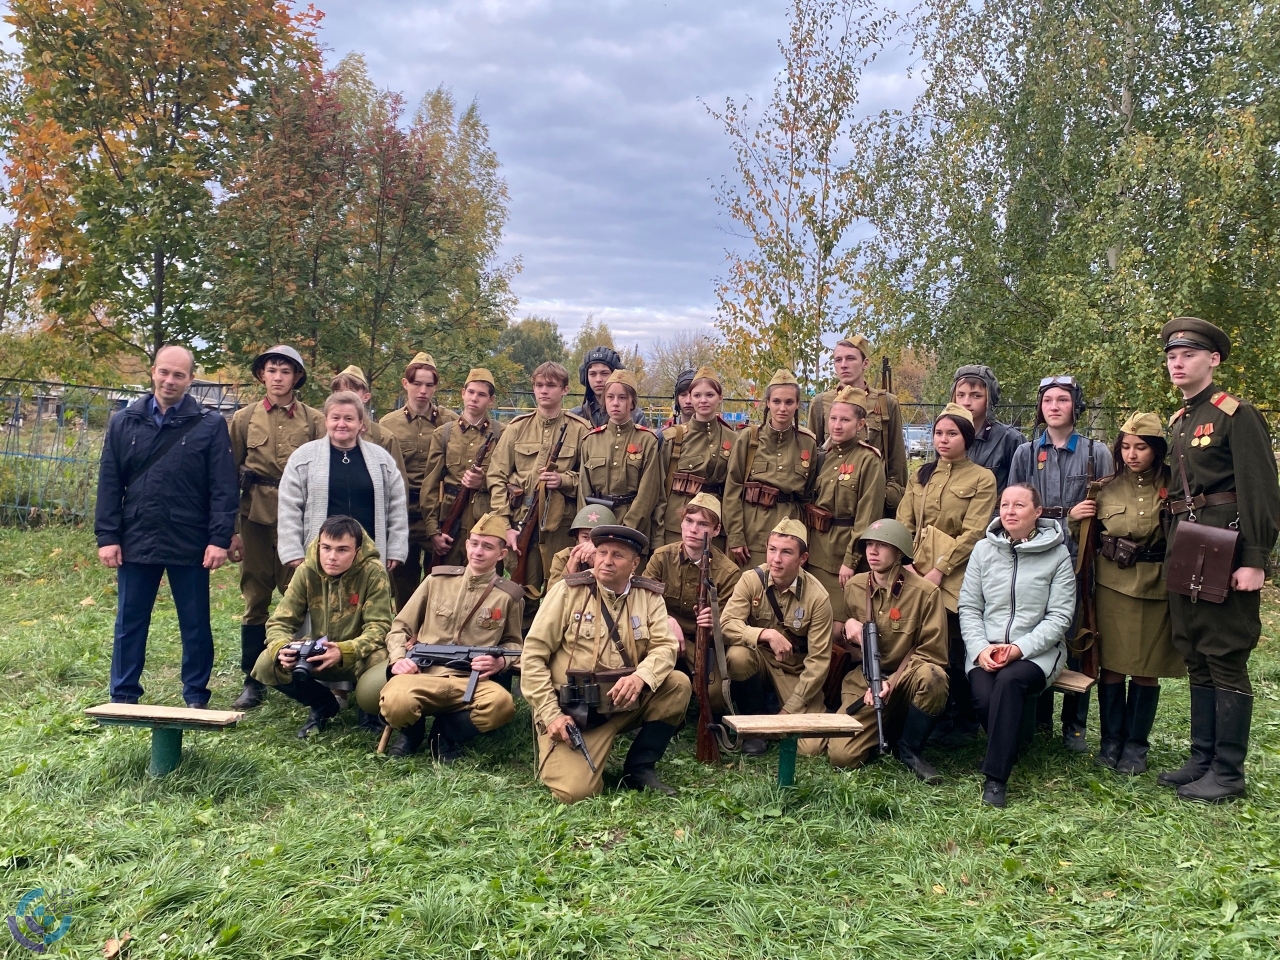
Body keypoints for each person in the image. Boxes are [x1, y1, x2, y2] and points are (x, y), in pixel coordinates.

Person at [1156, 318, 1279, 803]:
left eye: (1187, 355)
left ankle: (1228, 770)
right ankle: (1202, 757)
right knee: (1195, 649)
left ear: (1214, 360)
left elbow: (1261, 489)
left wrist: (1256, 558)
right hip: (1187, 544)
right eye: (1171, 357)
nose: (1178, 363)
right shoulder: (1181, 419)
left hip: (1226, 546)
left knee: (1225, 652)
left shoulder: (1236, 413)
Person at [95, 345, 238, 708]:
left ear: (191, 379)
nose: (169, 380)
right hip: (136, 534)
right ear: (152, 372)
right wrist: (108, 536)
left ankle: (196, 696)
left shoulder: (209, 424)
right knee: (129, 621)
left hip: (190, 538)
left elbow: (223, 487)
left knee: (195, 624)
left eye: (178, 375)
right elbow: (110, 483)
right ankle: (123, 695)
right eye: (164, 372)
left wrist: (219, 539)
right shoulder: (123, 421)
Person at [522, 524, 691, 802]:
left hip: (623, 702)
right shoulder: (568, 591)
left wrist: (641, 677)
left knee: (676, 684)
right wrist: (550, 713)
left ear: (635, 564)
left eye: (617, 555)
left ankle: (639, 768)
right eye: (602, 552)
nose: (607, 561)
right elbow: (533, 655)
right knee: (575, 793)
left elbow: (664, 647)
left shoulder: (649, 597)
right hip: (573, 711)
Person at [1069, 412, 1183, 774]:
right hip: (1113, 586)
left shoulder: (1175, 485)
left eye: (1142, 447)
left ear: (1157, 449)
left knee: (1148, 669)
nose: (1133, 454)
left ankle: (1136, 747)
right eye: (1127, 447)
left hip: (1158, 585)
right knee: (1113, 667)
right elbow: (1083, 537)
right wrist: (1075, 517)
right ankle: (1110, 742)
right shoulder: (1104, 488)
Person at [1008, 376, 1113, 753]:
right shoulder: (1024, 453)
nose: (1054, 406)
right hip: (1036, 555)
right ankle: (1037, 722)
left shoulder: (1093, 452)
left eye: (1063, 400)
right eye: (1048, 400)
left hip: (1077, 558)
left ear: (1075, 406)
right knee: (1034, 633)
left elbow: (1109, 505)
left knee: (1075, 637)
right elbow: (1013, 504)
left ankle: (1075, 726)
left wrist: (1091, 512)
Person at [960, 483, 1076, 807]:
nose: (1009, 511)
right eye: (1005, 504)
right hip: (987, 646)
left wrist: (1019, 649)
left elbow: (1060, 616)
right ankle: (1013, 741)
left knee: (1009, 683)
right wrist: (981, 648)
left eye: (1019, 506)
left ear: (1037, 513)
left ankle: (995, 778)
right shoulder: (983, 550)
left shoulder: (1057, 553)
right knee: (983, 697)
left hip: (1037, 651)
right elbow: (969, 607)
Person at [376, 512, 525, 760]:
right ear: (466, 545)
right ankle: (411, 734)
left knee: (501, 705)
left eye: (487, 547)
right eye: (474, 543)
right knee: (394, 701)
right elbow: (400, 627)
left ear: (501, 554)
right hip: (423, 673)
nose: (478, 552)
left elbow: (513, 644)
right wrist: (398, 658)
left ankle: (444, 734)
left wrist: (500, 662)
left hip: (470, 680)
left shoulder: (508, 596)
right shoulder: (437, 580)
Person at [227, 344, 325, 710]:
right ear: (261, 375)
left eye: (286, 371)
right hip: (254, 516)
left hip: (297, 519)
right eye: (272, 370)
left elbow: (322, 473)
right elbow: (227, 476)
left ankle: (302, 672)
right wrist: (229, 529)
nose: (279, 377)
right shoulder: (243, 418)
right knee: (255, 596)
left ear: (297, 377)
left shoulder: (314, 420)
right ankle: (253, 679)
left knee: (299, 595)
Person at [897, 403, 998, 743]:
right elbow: (904, 522)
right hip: (915, 569)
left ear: (966, 438)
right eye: (938, 433)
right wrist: (906, 562)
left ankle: (961, 719)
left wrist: (940, 571)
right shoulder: (921, 474)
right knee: (920, 639)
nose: (943, 439)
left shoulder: (982, 478)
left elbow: (973, 532)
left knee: (953, 642)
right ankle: (927, 713)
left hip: (957, 572)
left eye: (951, 433)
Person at [824, 519, 948, 782]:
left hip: (907, 680)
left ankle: (910, 748)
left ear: (900, 551)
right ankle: (885, 731)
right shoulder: (855, 586)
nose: (872, 551)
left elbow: (933, 653)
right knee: (841, 756)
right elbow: (836, 634)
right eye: (869, 544)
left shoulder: (925, 593)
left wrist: (892, 682)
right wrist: (848, 625)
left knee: (934, 677)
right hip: (865, 682)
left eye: (882, 545)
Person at [252, 515, 392, 738]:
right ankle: (322, 704)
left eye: (342, 550)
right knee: (266, 662)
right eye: (326, 548)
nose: (332, 557)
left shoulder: (373, 572)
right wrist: (281, 647)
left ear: (357, 550)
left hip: (358, 654)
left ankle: (370, 712)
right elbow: (280, 621)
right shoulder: (307, 570)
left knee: (379, 661)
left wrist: (345, 650)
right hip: (317, 652)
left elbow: (380, 626)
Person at [721, 519, 834, 756]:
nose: (776, 559)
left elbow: (819, 661)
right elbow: (726, 624)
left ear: (803, 558)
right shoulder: (751, 580)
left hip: (794, 670)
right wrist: (764, 633)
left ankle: (777, 709)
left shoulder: (818, 597)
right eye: (772, 549)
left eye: (786, 552)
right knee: (738, 656)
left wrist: (790, 710)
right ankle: (755, 727)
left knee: (810, 749)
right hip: (760, 661)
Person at [486, 361, 592, 600]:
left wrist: (563, 479)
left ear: (565, 389)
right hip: (520, 522)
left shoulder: (580, 430)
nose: (544, 390)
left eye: (551, 385)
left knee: (560, 591)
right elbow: (496, 476)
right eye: (539, 385)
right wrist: (504, 525)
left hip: (561, 526)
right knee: (518, 593)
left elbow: (590, 480)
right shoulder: (516, 428)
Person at [277, 392, 408, 570]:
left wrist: (395, 548)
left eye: (349, 418)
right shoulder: (303, 458)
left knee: (366, 599)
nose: (341, 424)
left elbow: (397, 507)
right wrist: (292, 550)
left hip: (369, 557)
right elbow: (289, 507)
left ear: (361, 423)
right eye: (335, 418)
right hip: (321, 558)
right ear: (326, 421)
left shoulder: (381, 460)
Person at [378, 352, 458, 609]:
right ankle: (404, 637)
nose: (422, 391)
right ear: (405, 384)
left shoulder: (450, 422)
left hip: (439, 513)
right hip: (403, 514)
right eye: (416, 384)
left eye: (429, 385)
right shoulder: (388, 424)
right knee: (403, 583)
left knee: (442, 582)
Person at [722, 369, 819, 569]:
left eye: (789, 402)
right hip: (752, 529)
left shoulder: (807, 443)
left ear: (797, 404)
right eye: (776, 401)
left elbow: (808, 495)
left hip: (791, 529)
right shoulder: (749, 439)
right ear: (767, 403)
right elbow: (732, 490)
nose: (782, 408)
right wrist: (736, 536)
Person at [805, 385, 886, 623]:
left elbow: (867, 516)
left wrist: (851, 561)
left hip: (844, 555)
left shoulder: (868, 460)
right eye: (833, 418)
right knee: (814, 621)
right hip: (816, 553)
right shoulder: (822, 457)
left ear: (860, 424)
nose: (837, 425)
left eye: (845, 420)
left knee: (840, 628)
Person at [806, 336, 907, 514]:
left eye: (851, 358)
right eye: (838, 360)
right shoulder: (821, 402)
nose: (843, 365)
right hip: (831, 502)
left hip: (873, 500)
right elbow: (812, 455)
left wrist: (889, 496)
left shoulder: (886, 402)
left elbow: (896, 459)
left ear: (865, 363)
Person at [420, 368, 506, 567]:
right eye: (471, 392)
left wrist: (482, 482)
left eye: (482, 394)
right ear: (463, 393)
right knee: (445, 582)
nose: (474, 398)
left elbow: (509, 478)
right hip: (451, 519)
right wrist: (433, 531)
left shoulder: (502, 434)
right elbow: (430, 486)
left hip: (486, 518)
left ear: (491, 400)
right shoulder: (444, 434)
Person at [643, 493, 742, 659]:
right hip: (662, 634)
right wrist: (666, 619)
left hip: (702, 644)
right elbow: (643, 601)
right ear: (681, 523)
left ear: (716, 530)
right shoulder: (661, 557)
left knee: (715, 686)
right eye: (689, 521)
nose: (693, 530)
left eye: (703, 524)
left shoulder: (728, 573)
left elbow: (729, 623)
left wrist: (714, 624)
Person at [654, 366, 739, 551]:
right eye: (697, 395)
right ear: (690, 398)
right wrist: (657, 536)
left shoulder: (734, 440)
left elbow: (735, 490)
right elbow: (659, 490)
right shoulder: (673, 437)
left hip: (715, 525)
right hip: (677, 526)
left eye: (710, 395)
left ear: (720, 397)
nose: (703, 400)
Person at [576, 369, 663, 545]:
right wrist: (589, 529)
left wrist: (626, 531)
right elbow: (583, 490)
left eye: (622, 398)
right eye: (610, 397)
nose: (615, 403)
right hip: (597, 524)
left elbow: (648, 493)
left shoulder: (647, 441)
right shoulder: (590, 440)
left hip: (633, 528)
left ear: (632, 403)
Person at [950, 365, 1023, 495]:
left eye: (976, 396)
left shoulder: (1010, 439)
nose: (966, 402)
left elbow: (1022, 491)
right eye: (960, 395)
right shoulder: (945, 437)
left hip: (993, 513)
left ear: (989, 398)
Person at [329, 365, 408, 478]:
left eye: (351, 392)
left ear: (366, 397)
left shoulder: (383, 438)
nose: (344, 397)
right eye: (339, 392)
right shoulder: (322, 432)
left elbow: (398, 484)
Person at [570, 345, 647, 428]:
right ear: (585, 377)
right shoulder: (576, 417)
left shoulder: (635, 416)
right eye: (592, 374)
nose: (598, 379)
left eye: (604, 373)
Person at [547, 504, 617, 589]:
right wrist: (572, 564)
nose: (590, 544)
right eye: (585, 537)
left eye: (597, 538)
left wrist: (598, 565)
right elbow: (553, 596)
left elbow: (617, 592)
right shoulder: (563, 557)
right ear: (577, 537)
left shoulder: (617, 558)